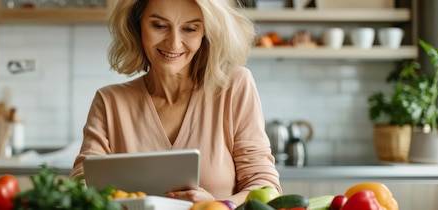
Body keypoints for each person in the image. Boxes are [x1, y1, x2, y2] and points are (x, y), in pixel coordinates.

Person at [70, 0, 281, 205]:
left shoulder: (234, 86)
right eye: (160, 25)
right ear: (137, 24)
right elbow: (82, 185)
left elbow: (266, 188)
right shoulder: (109, 102)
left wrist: (219, 205)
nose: (173, 43)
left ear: (206, 32)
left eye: (189, 29)